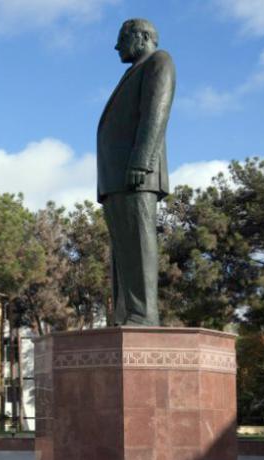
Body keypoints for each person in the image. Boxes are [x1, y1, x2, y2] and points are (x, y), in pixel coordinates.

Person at [97, 18, 175, 327]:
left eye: (122, 38)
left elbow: (156, 112)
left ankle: (143, 315)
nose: (117, 46)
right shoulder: (134, 71)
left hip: (136, 173)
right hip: (117, 178)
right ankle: (125, 314)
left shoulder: (159, 61)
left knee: (139, 243)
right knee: (124, 249)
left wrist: (141, 162)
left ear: (141, 37)